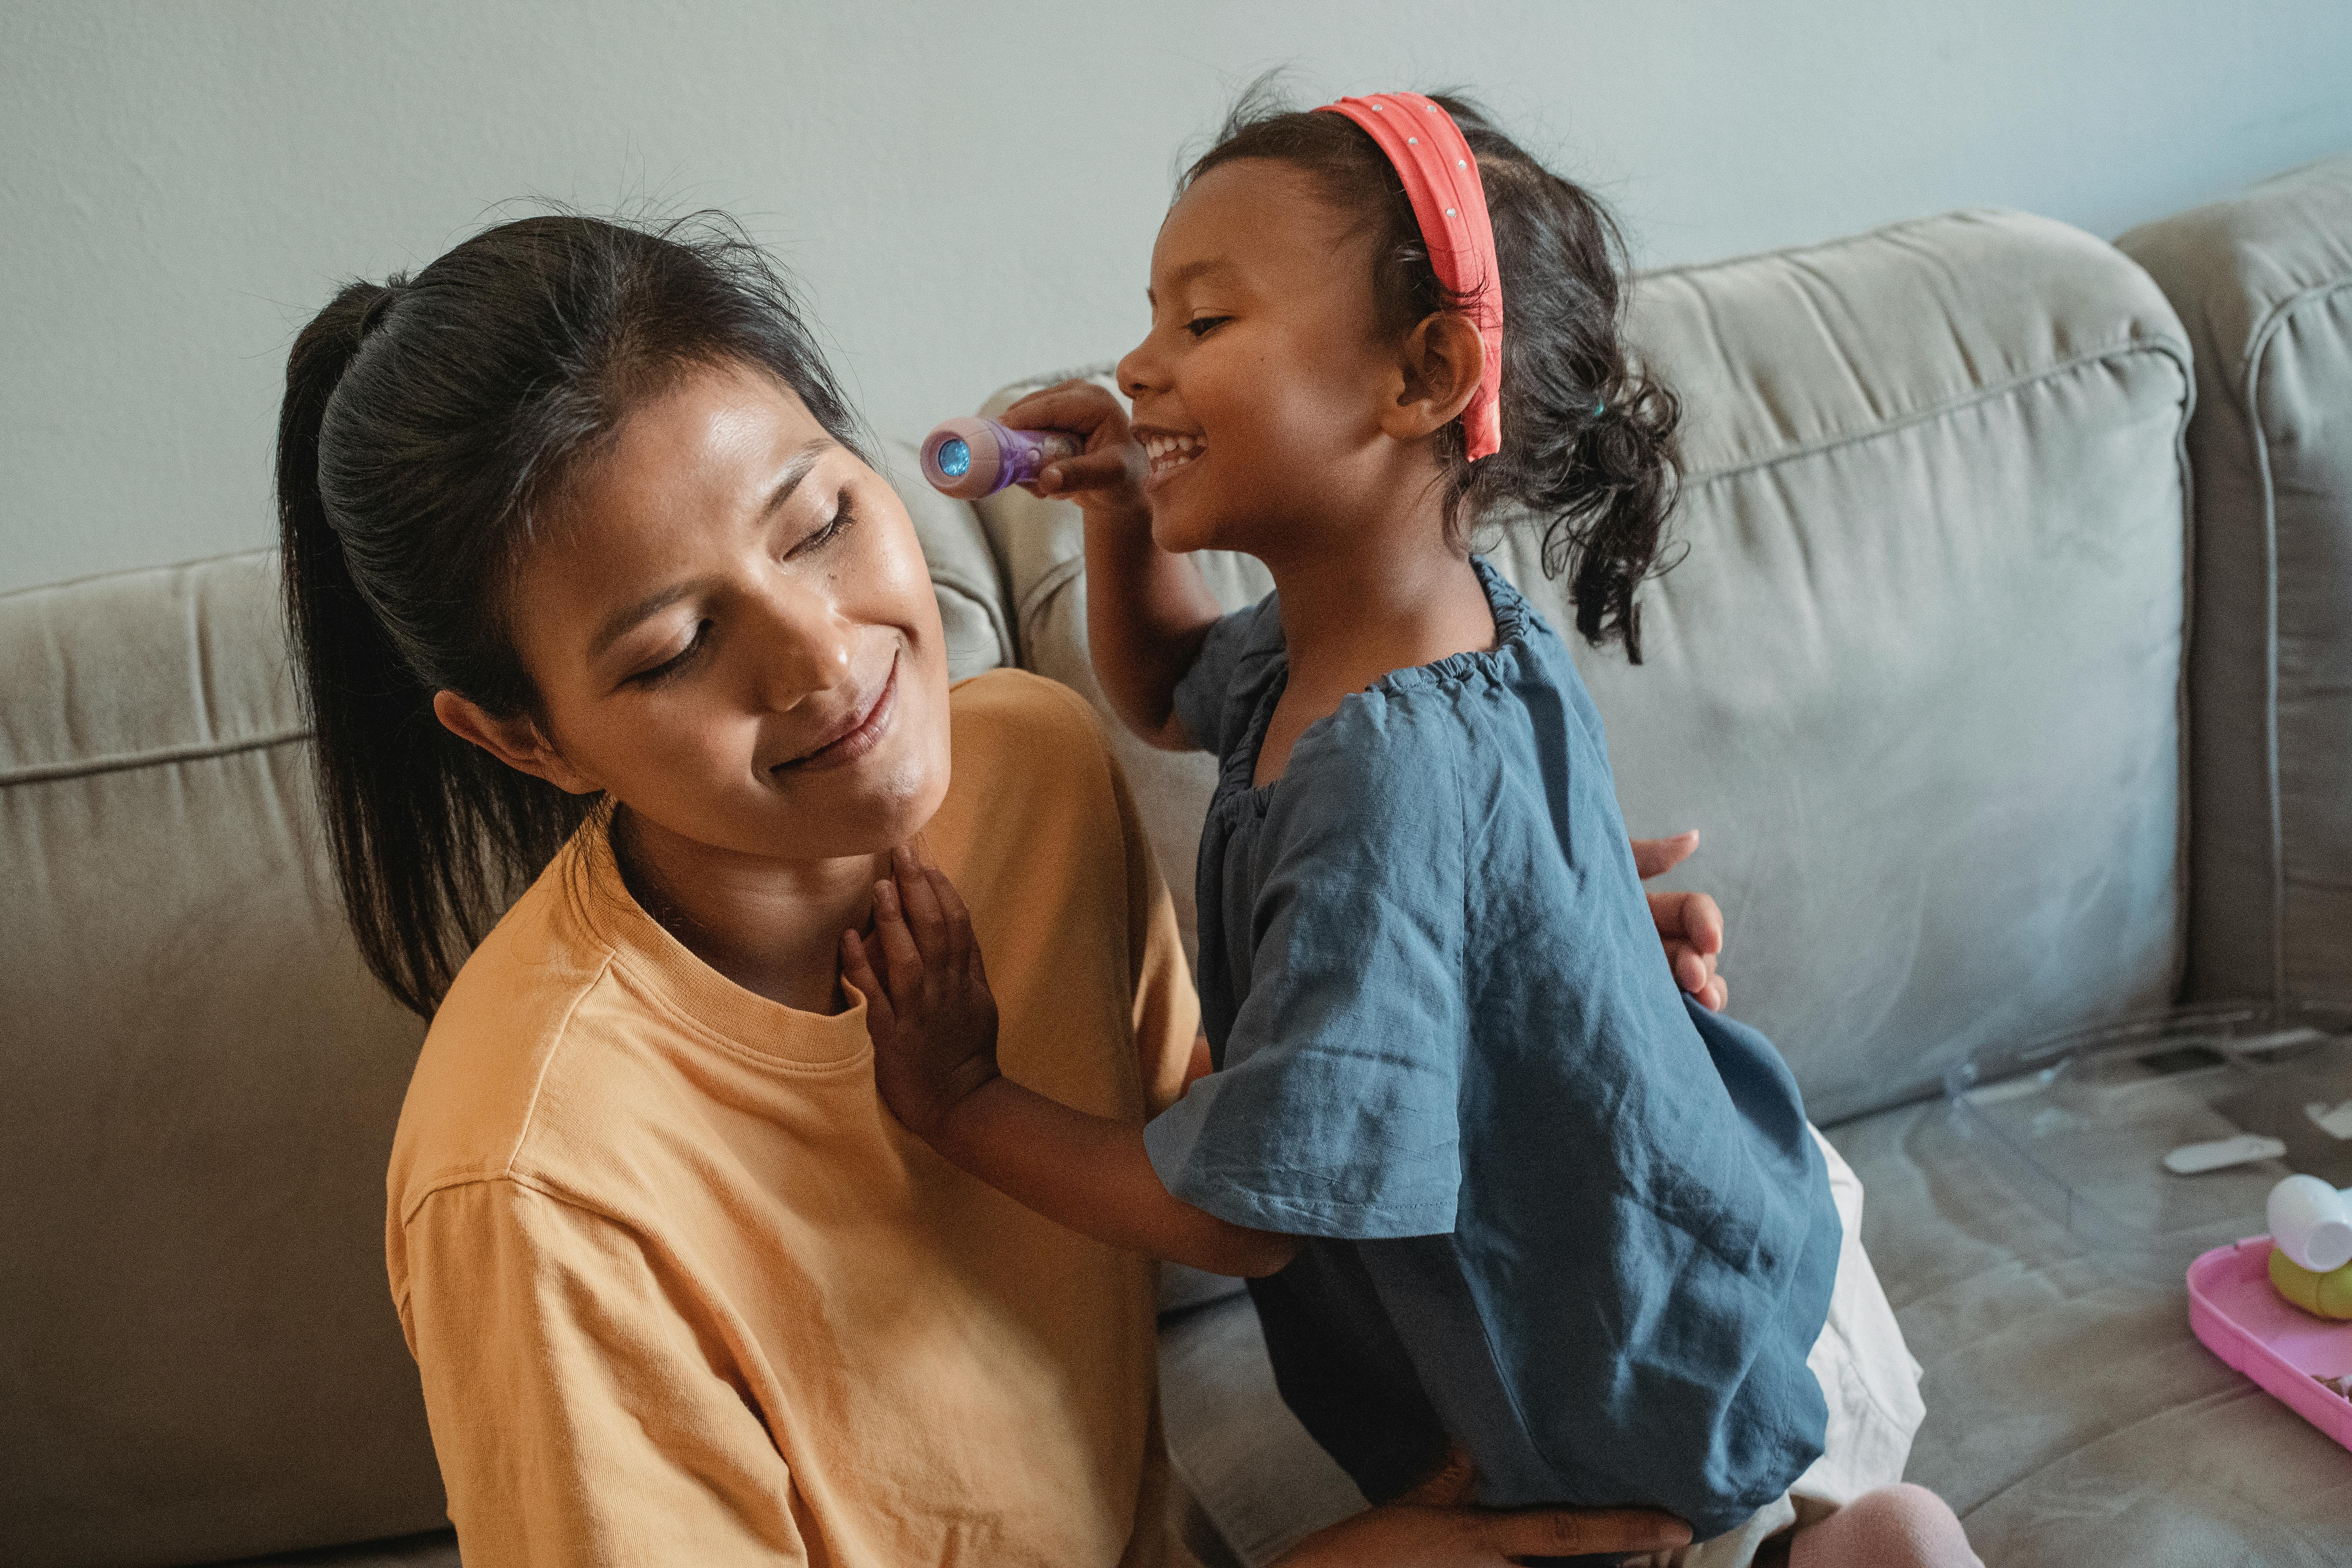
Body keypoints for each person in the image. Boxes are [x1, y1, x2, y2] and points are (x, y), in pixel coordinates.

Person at [276, 209, 1722, 1565]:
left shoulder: (1025, 767)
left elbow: (1215, 1138)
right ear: (524, 737)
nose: (827, 659)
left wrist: (1504, 977)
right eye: (672, 649)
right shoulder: (534, 1184)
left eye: (819, 523)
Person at [850, 91, 1980, 1568]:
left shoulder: (1380, 774)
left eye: (1204, 321)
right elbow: (1171, 693)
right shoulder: (1396, 630)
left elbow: (1240, 1215)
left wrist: (959, 1101)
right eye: (1151, 320)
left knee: (1813, 1545)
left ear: (1423, 373)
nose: (1138, 365)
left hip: (1641, 1384)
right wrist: (1122, 507)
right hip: (1706, 1241)